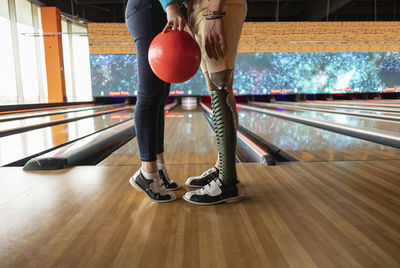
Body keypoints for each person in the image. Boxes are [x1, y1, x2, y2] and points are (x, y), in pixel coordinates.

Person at [161, 0, 247, 205]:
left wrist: (214, 12)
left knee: (221, 88)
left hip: (215, 7)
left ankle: (228, 183)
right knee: (217, 87)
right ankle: (222, 168)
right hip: (199, 9)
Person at [125, 0, 182, 203]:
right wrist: (172, 6)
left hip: (157, 9)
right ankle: (147, 173)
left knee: (158, 98)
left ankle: (158, 168)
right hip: (149, 8)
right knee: (149, 95)